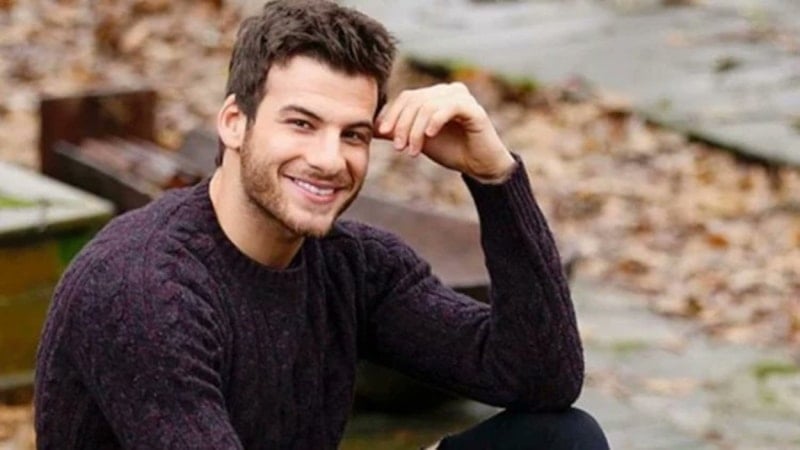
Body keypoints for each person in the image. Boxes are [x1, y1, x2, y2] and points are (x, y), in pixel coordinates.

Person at [34, 1, 609, 449]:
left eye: (353, 134)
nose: (330, 160)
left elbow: (540, 379)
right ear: (234, 123)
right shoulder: (143, 290)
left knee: (560, 440)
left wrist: (495, 178)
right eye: (302, 124)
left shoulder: (352, 266)